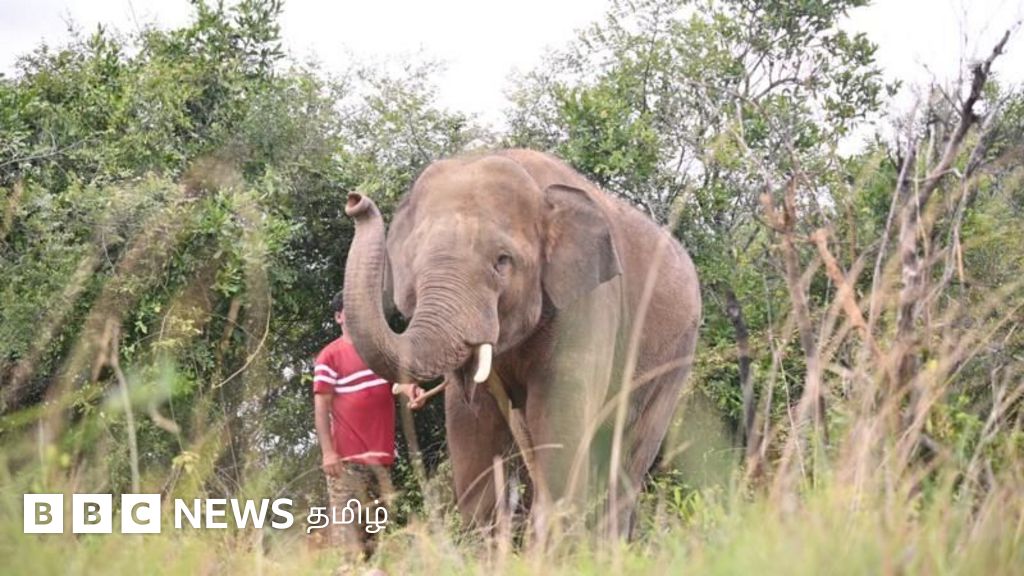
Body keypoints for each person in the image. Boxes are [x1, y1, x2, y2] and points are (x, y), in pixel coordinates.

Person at [313, 290, 424, 559]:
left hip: (381, 459)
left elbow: (394, 383)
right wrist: (328, 453)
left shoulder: (377, 352)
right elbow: (321, 408)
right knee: (348, 538)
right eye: (349, 311)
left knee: (375, 536)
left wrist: (411, 390)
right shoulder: (330, 356)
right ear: (339, 317)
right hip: (347, 463)